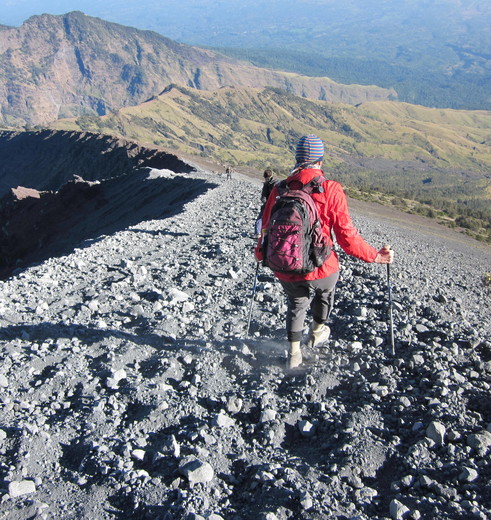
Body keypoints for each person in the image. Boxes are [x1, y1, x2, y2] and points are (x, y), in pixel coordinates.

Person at [255, 134, 394, 369]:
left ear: (298, 159)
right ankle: (318, 329)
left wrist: (260, 254)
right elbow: (347, 237)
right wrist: (375, 256)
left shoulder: (280, 189)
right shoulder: (330, 188)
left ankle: (294, 354)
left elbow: (266, 227)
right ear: (320, 160)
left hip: (286, 263)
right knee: (326, 289)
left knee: (297, 302)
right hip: (321, 268)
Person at [255, 169, 276, 236]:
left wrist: (265, 202)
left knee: (261, 219)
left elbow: (263, 197)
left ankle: (258, 233)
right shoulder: (278, 183)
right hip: (277, 204)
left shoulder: (266, 184)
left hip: (268, 205)